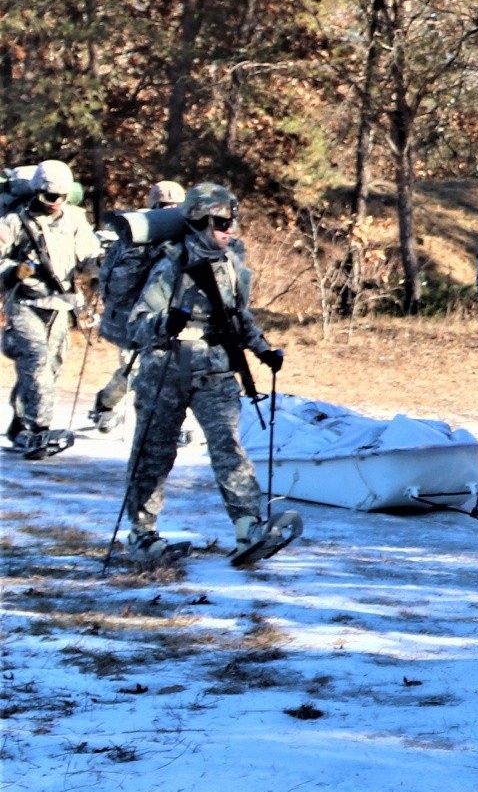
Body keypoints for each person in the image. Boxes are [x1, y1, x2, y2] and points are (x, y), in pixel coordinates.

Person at [122, 183, 299, 567]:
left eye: (231, 221)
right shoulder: (170, 264)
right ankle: (141, 531)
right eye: (220, 222)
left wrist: (262, 349)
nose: (228, 229)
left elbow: (237, 317)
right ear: (199, 222)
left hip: (215, 369)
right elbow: (136, 326)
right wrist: (165, 322)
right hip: (165, 370)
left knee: (228, 447)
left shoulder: (231, 265)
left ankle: (247, 527)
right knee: (154, 453)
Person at [1, 160, 102, 459]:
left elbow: (88, 256)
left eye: (61, 197)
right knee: (37, 363)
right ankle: (38, 429)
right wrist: (11, 271)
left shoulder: (74, 220)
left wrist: (98, 268)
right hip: (25, 304)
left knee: (51, 367)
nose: (55, 203)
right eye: (49, 197)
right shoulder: (16, 222)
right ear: (37, 191)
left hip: (59, 305)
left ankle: (20, 424)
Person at [91, 180, 186, 432]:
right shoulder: (135, 236)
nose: (169, 211)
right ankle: (105, 404)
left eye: (175, 206)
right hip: (136, 318)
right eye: (164, 206)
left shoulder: (186, 235)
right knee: (132, 372)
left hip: (171, 316)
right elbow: (115, 280)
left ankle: (171, 425)